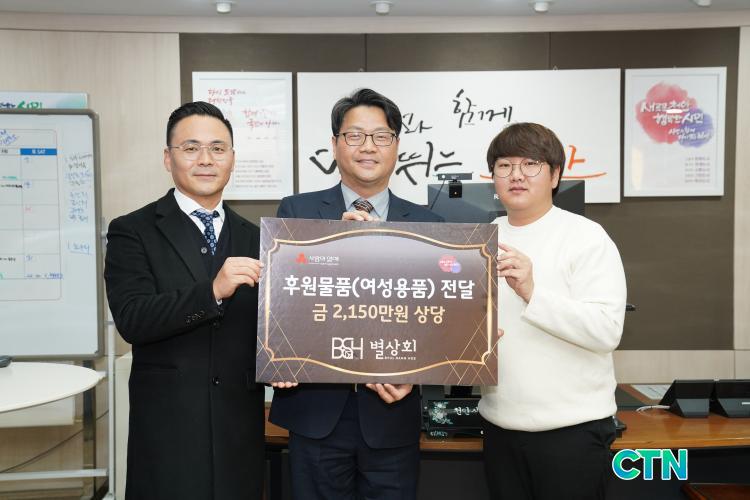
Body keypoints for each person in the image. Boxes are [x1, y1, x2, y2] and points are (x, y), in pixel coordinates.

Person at [269, 88, 443, 500]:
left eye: (381, 136)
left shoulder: (429, 225)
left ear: (396, 146)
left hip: (391, 413)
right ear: (335, 145)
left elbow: (439, 321)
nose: (368, 147)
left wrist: (416, 373)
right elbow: (282, 305)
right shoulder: (297, 212)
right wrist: (337, 244)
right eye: (355, 136)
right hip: (315, 412)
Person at [104, 102, 265, 500]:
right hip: (168, 430)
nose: (206, 159)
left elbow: (277, 327)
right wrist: (212, 291)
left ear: (232, 158)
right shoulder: (132, 231)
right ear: (168, 158)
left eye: (218, 148)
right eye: (191, 148)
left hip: (238, 429)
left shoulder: (260, 237)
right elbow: (133, 318)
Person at [479, 122, 626, 499]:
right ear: (493, 177)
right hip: (499, 426)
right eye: (504, 165)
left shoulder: (586, 237)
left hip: (572, 433)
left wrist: (532, 292)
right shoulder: (480, 239)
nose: (516, 175)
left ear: (556, 175)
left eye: (530, 164)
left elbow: (607, 330)